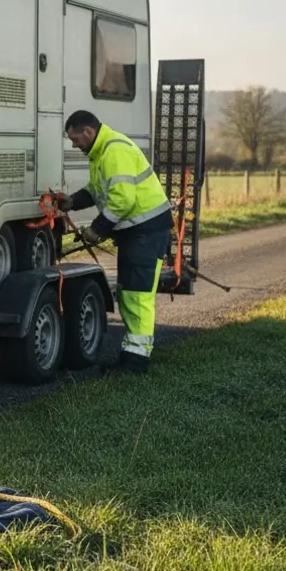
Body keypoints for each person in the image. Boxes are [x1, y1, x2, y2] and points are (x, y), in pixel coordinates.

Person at [55, 110, 173, 376]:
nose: (75, 145)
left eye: (76, 139)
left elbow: (123, 200)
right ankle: (131, 357)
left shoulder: (113, 151)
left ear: (88, 132)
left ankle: (135, 365)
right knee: (129, 293)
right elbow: (97, 191)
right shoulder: (101, 153)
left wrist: (97, 230)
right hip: (138, 231)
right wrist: (72, 202)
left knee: (137, 296)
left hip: (145, 230)